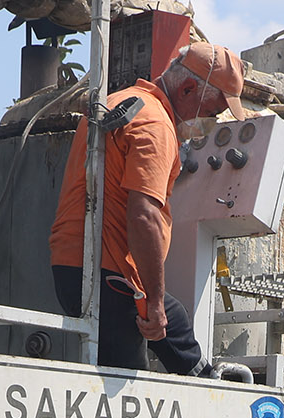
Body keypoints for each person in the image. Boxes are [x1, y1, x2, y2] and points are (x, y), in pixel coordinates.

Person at [48, 42, 246, 375]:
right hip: (108, 276)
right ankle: (204, 382)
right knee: (126, 387)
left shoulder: (119, 101)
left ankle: (203, 373)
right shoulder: (155, 125)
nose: (212, 122)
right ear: (187, 88)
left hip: (76, 267)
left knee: (174, 319)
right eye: (212, 113)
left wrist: (157, 301)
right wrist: (153, 300)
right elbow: (145, 216)